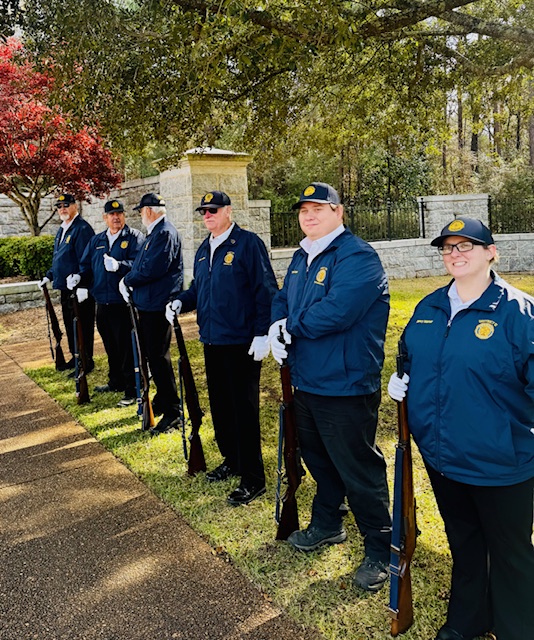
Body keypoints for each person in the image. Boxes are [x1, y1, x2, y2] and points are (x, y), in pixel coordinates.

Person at [388, 217, 534, 640]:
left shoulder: (519, 313)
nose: (455, 254)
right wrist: (402, 382)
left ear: (491, 253)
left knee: (511, 555)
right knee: (466, 545)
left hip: (501, 463)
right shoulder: (429, 307)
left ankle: (518, 629)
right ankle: (468, 621)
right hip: (444, 458)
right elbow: (410, 357)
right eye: (448, 247)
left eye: (466, 245)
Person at [269, 182, 391, 592]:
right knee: (318, 460)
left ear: (338, 212)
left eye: (318, 208)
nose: (309, 216)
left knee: (358, 468)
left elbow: (339, 311)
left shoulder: (358, 256)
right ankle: (328, 523)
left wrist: (290, 326)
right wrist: (275, 324)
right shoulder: (302, 255)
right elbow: (283, 298)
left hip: (344, 383)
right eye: (304, 210)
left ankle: (382, 547)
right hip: (306, 380)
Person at [165, 190, 278, 506]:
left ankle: (253, 478)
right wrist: (180, 301)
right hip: (212, 341)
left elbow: (266, 290)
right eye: (204, 211)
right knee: (221, 408)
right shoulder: (204, 248)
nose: (207, 215)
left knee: (244, 411)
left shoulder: (248, 244)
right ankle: (232, 460)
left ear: (228, 211)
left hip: (241, 342)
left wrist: (262, 333)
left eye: (213, 210)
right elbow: (198, 289)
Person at [67, 199, 145, 406]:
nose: (116, 217)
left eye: (119, 213)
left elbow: (140, 265)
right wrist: (80, 279)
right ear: (105, 217)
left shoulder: (134, 237)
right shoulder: (97, 240)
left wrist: (119, 265)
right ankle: (116, 381)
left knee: (127, 347)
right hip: (102, 301)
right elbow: (86, 266)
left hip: (123, 302)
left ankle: (132, 388)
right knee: (110, 345)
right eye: (111, 214)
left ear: (124, 215)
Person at [119, 192, 183, 434]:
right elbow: (141, 265)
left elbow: (151, 269)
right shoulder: (155, 233)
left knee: (159, 357)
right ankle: (163, 399)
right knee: (152, 356)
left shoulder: (164, 233)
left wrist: (127, 280)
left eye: (140, 211)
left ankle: (173, 411)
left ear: (148, 211)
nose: (140, 215)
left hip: (158, 305)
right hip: (148, 304)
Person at [39, 193, 95, 373]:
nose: (62, 209)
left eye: (66, 205)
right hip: (65, 287)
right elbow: (60, 258)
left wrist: (83, 283)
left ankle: (86, 360)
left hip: (78, 289)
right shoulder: (63, 228)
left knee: (82, 325)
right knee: (70, 325)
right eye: (59, 206)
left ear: (75, 206)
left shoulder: (82, 228)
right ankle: (76, 356)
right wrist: (49, 275)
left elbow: (87, 260)